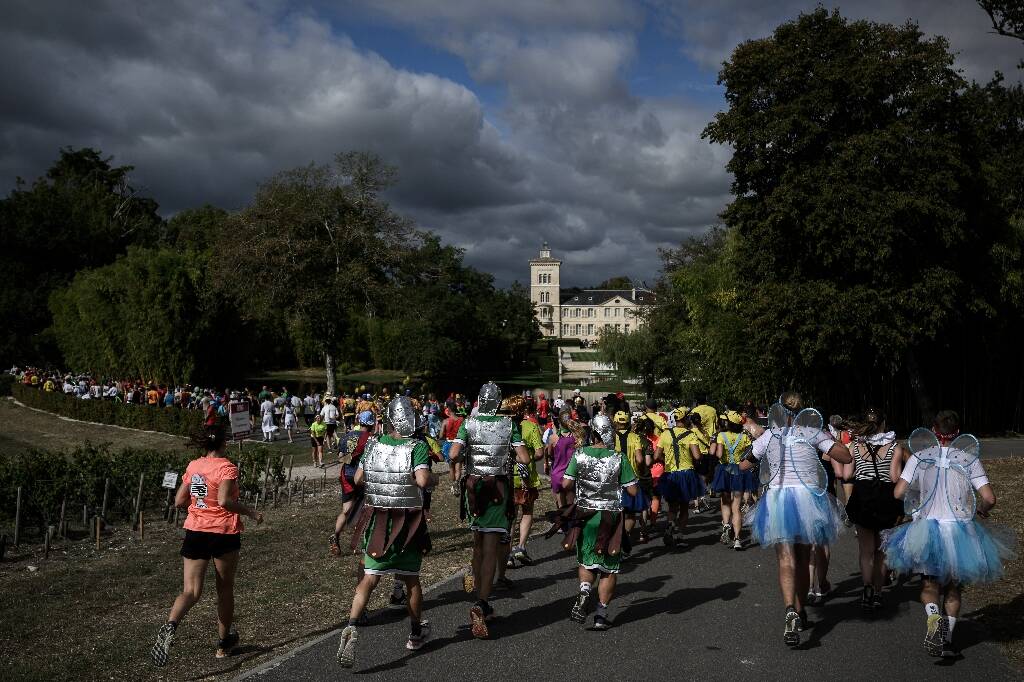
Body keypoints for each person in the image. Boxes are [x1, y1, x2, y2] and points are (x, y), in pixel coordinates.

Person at [882, 410, 1016, 658]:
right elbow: (989, 498)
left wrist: (915, 497)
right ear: (957, 434)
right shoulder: (968, 459)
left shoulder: (921, 457)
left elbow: (898, 493)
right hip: (960, 532)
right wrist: (983, 511)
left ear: (934, 430)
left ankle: (934, 617)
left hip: (927, 529)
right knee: (954, 588)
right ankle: (948, 639)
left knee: (929, 584)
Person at [739, 391, 851, 647]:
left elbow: (744, 465)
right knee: (802, 557)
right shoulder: (813, 432)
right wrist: (832, 441)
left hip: (779, 499)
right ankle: (800, 611)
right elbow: (845, 456)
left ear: (779, 411)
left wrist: (758, 456)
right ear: (803, 411)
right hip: (809, 499)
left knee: (785, 559)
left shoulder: (770, 435)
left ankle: (791, 608)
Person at [151, 424, 264, 667]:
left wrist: (200, 503)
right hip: (223, 532)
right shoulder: (227, 467)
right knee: (224, 589)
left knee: (190, 591)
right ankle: (223, 645)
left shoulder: (194, 466)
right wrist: (251, 512)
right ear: (223, 443)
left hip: (196, 531)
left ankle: (170, 625)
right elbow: (224, 501)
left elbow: (180, 500)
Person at [336, 397, 436, 668]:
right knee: (411, 580)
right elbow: (423, 480)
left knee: (369, 577)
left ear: (389, 420)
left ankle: (352, 626)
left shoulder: (372, 444)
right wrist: (433, 479)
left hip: (378, 518)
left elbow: (358, 479)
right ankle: (415, 633)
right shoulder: (417, 446)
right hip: (407, 522)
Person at [447, 382, 531, 639]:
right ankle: (481, 602)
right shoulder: (508, 424)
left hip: (474, 488)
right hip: (497, 488)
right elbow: (525, 458)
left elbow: (453, 453)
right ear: (498, 402)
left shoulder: (467, 423)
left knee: (478, 541)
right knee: (491, 547)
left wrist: (469, 454)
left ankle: (479, 591)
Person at [557, 414, 638, 630]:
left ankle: (585, 589)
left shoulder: (580, 454)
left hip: (586, 514)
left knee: (586, 561)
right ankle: (601, 615)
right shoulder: (618, 457)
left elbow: (565, 484)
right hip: (610, 517)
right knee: (609, 568)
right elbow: (632, 489)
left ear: (592, 433)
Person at [841, 408, 906, 611]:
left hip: (862, 498)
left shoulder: (855, 446)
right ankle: (878, 593)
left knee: (865, 551)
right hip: (886, 500)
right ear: (883, 424)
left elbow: (846, 475)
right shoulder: (894, 447)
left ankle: (867, 588)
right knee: (882, 551)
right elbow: (895, 478)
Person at [654, 406, 704, 548]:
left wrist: (666, 461)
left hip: (671, 474)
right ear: (685, 419)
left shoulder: (665, 434)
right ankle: (680, 534)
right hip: (687, 474)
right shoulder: (690, 435)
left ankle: (670, 527)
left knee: (672, 507)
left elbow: (656, 455)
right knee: (684, 507)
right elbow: (697, 456)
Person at [330, 411, 375, 556]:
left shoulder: (347, 436)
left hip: (346, 476)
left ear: (359, 421)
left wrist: (351, 458)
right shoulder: (371, 439)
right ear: (372, 424)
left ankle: (335, 536)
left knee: (346, 510)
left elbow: (340, 458)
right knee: (368, 509)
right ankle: (365, 542)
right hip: (362, 477)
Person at [710, 411, 754, 550]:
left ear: (729, 423)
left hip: (724, 471)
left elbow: (719, 454)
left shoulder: (722, 436)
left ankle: (726, 525)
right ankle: (737, 539)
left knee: (725, 502)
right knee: (737, 506)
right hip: (739, 470)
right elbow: (750, 453)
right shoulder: (744, 436)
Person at [509, 398, 545, 567]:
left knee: (510, 516)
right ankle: (521, 547)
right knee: (527, 512)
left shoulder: (504, 427)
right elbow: (539, 453)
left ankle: (507, 552)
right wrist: (527, 458)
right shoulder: (531, 427)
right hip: (526, 478)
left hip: (508, 476)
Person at [613, 411, 651, 549]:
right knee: (630, 513)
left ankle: (616, 538)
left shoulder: (611, 438)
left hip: (614, 479)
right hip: (631, 479)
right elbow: (640, 459)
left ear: (615, 422)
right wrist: (640, 470)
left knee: (616, 512)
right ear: (628, 422)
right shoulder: (635, 437)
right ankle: (625, 536)